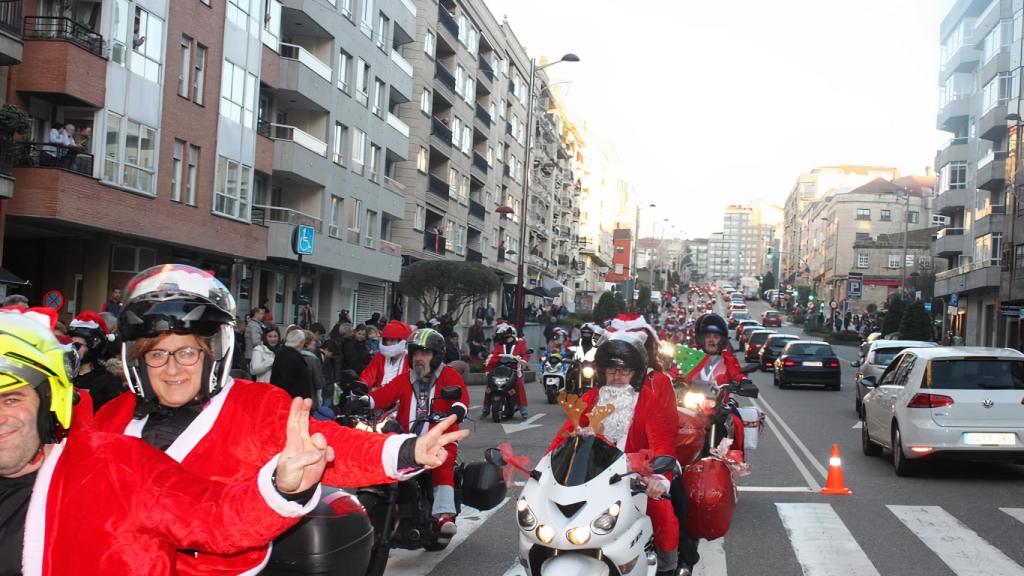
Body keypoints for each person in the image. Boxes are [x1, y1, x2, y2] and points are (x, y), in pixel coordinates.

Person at [93, 264, 469, 576]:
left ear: (212, 354)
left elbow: (328, 444)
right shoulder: (112, 417)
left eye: (188, 352)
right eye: (157, 354)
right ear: (138, 360)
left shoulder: (252, 406)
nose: (172, 369)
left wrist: (408, 450)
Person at [0, 310, 335, 575]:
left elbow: (216, 516)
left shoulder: (113, 464)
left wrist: (283, 489)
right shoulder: (116, 416)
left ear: (49, 399)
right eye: (158, 354)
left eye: (12, 399)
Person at [548, 332, 680, 576]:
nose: (618, 377)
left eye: (625, 370)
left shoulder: (649, 402)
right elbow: (560, 440)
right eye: (611, 370)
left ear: (635, 373)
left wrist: (658, 481)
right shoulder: (589, 399)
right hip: (587, 477)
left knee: (663, 513)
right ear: (602, 372)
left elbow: (663, 444)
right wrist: (543, 471)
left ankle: (666, 567)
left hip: (634, 478)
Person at [366, 328, 469, 542]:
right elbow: (383, 396)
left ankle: (444, 515)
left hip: (439, 437)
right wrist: (363, 400)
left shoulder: (449, 375)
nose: (419, 358)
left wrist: (458, 409)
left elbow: (461, 397)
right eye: (415, 353)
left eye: (425, 353)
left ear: (436, 355)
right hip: (407, 437)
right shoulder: (405, 378)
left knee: (443, 461)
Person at [67, 311, 122, 411]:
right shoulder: (62, 376)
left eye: (77, 345)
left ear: (93, 347)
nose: (72, 349)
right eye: (70, 344)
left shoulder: (108, 382)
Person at [482, 322, 531, 418]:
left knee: (519, 385)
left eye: (507, 335)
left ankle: (523, 408)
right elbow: (493, 355)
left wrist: (523, 361)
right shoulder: (499, 345)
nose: (505, 338)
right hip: (500, 369)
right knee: (489, 385)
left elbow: (525, 354)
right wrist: (489, 363)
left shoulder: (520, 343)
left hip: (514, 369)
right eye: (504, 336)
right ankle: (486, 407)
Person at [360, 320, 412, 389]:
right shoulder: (380, 357)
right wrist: (362, 386)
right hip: (378, 395)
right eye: (386, 340)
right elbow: (368, 375)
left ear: (402, 341)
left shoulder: (410, 360)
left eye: (392, 340)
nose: (388, 343)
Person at [271, 327, 314, 400]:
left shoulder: (283, 352)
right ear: (301, 342)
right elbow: (287, 380)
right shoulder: (291, 356)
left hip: (287, 396)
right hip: (292, 398)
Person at [301, 330, 326, 409]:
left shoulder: (294, 355)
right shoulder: (313, 359)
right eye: (313, 340)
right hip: (310, 398)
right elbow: (319, 383)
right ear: (306, 343)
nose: (315, 343)